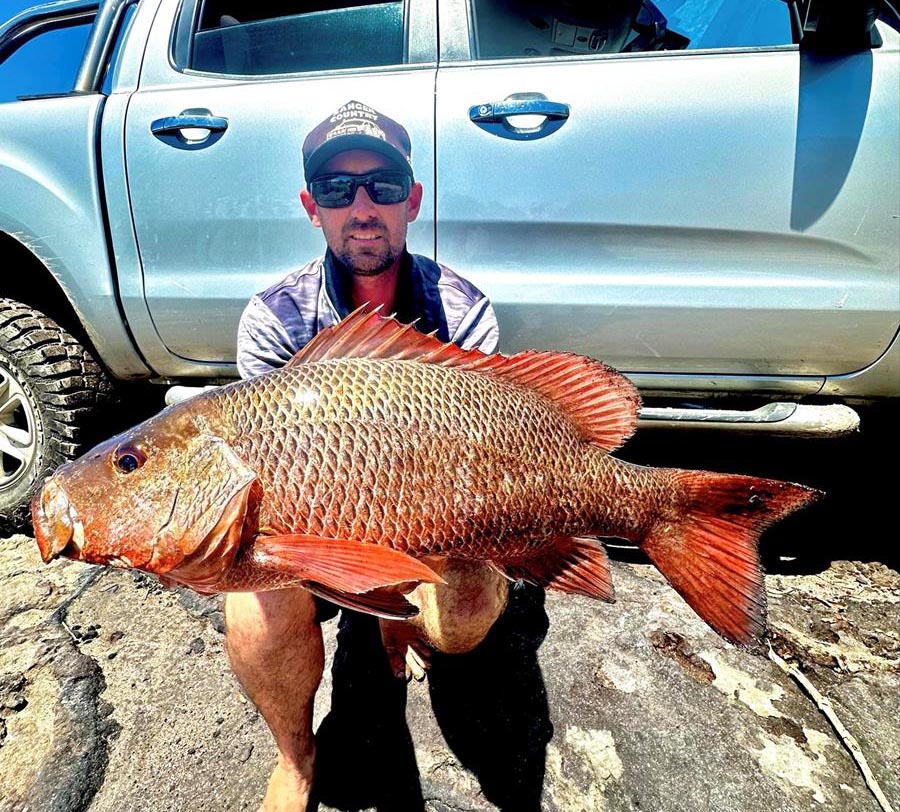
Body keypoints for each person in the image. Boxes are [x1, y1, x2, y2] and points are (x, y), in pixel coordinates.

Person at [228, 100, 510, 812]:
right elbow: (263, 470)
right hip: (314, 532)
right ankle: (296, 758)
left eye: (383, 186)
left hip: (439, 512)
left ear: (412, 201)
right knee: (252, 602)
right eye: (336, 189)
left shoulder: (465, 311)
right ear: (310, 206)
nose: (361, 207)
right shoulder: (274, 319)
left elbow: (487, 451)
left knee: (464, 614)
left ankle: (399, 620)